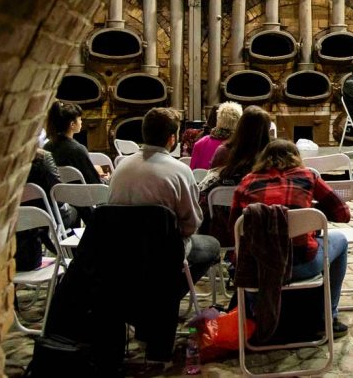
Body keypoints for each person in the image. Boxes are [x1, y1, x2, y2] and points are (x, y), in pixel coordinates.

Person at [226, 139, 352, 337]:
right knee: (341, 241)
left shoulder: (247, 182)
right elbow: (343, 214)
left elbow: (233, 227)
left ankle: (254, 317)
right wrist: (312, 214)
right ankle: (328, 317)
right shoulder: (308, 176)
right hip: (300, 264)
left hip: (259, 268)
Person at [108, 107, 221, 292]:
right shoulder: (180, 171)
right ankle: (169, 294)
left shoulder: (120, 167)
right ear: (172, 139)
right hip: (165, 251)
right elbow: (191, 224)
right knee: (212, 245)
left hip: (123, 248)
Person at [198, 105, 273, 241]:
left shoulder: (223, 151)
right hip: (264, 227)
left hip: (224, 227)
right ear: (267, 130)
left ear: (240, 126)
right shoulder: (271, 155)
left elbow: (212, 179)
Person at [44, 101, 104, 184]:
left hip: (57, 192)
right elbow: (94, 183)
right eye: (79, 119)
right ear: (72, 124)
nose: (81, 122)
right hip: (82, 191)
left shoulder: (46, 148)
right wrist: (105, 178)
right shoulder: (78, 150)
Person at [190, 102, 243, 170]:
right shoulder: (241, 146)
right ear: (239, 121)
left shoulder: (200, 143)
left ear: (218, 119)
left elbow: (192, 172)